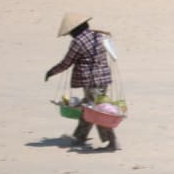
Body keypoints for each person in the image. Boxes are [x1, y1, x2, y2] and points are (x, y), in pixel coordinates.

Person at [44, 13, 119, 151]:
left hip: (91, 81)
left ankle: (112, 142)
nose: (71, 35)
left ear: (76, 29)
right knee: (89, 108)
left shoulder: (78, 42)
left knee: (98, 111)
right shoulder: (98, 36)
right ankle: (80, 137)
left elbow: (67, 62)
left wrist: (51, 72)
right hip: (103, 79)